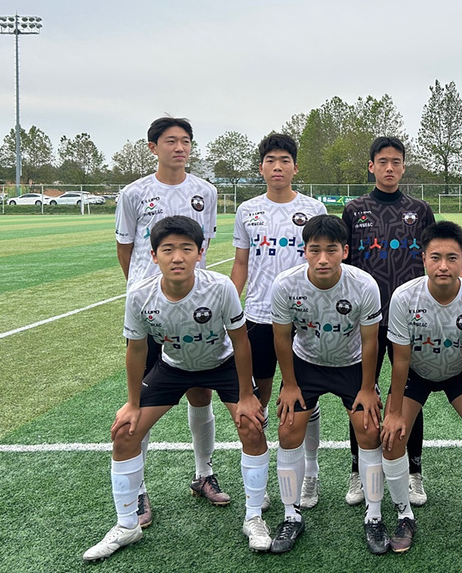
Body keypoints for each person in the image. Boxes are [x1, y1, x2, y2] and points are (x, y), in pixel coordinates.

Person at [83, 217, 270, 561]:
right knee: (125, 432)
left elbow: (241, 341)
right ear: (154, 256)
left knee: (252, 427)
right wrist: (132, 403)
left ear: (201, 253)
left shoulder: (221, 287)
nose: (178, 257)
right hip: (174, 367)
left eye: (187, 248)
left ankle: (254, 517)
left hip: (222, 364)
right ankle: (127, 526)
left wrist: (247, 396)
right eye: (168, 249)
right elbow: (136, 349)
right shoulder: (140, 295)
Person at [114, 116, 221, 527]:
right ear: (152, 147)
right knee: (139, 401)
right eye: (171, 141)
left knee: (199, 393)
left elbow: (204, 245)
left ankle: (204, 473)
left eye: (186, 142)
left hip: (197, 308)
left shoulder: (205, 192)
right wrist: (144, 292)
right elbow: (127, 249)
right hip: (151, 310)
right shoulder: (134, 193)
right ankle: (139, 493)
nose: (180, 148)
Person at [269, 215, 388, 554]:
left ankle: (374, 516)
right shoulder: (286, 285)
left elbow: (370, 342)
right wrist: (289, 384)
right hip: (306, 364)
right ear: (304, 251)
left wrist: (368, 388)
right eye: (315, 250)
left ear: (345, 251)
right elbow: (281, 337)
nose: (323, 258)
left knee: (368, 428)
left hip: (350, 366)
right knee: (289, 427)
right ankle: (291, 515)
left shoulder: (364, 285)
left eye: (331, 250)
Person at [382, 221, 462, 553]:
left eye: (452, 257)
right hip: (416, 373)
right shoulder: (405, 297)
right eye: (436, 257)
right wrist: (393, 412)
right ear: (423, 259)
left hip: (457, 373)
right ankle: (404, 515)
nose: (444, 266)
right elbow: (401, 360)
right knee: (391, 438)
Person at [230, 133, 326, 509]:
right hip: (258, 317)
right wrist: (230, 305)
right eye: (271, 160)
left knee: (304, 398)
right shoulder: (247, 210)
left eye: (285, 160)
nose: (278, 167)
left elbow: (322, 260)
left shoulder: (313, 207)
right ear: (261, 168)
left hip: (304, 319)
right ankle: (263, 481)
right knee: (260, 398)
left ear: (295, 167)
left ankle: (311, 475)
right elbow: (241, 262)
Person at [340, 136, 436, 507]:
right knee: (361, 393)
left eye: (396, 162)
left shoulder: (420, 209)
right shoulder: (354, 210)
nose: (390, 168)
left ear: (403, 166)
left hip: (410, 320)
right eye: (383, 162)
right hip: (366, 319)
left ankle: (414, 472)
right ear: (371, 166)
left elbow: (431, 260)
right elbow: (344, 265)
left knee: (409, 394)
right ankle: (358, 472)